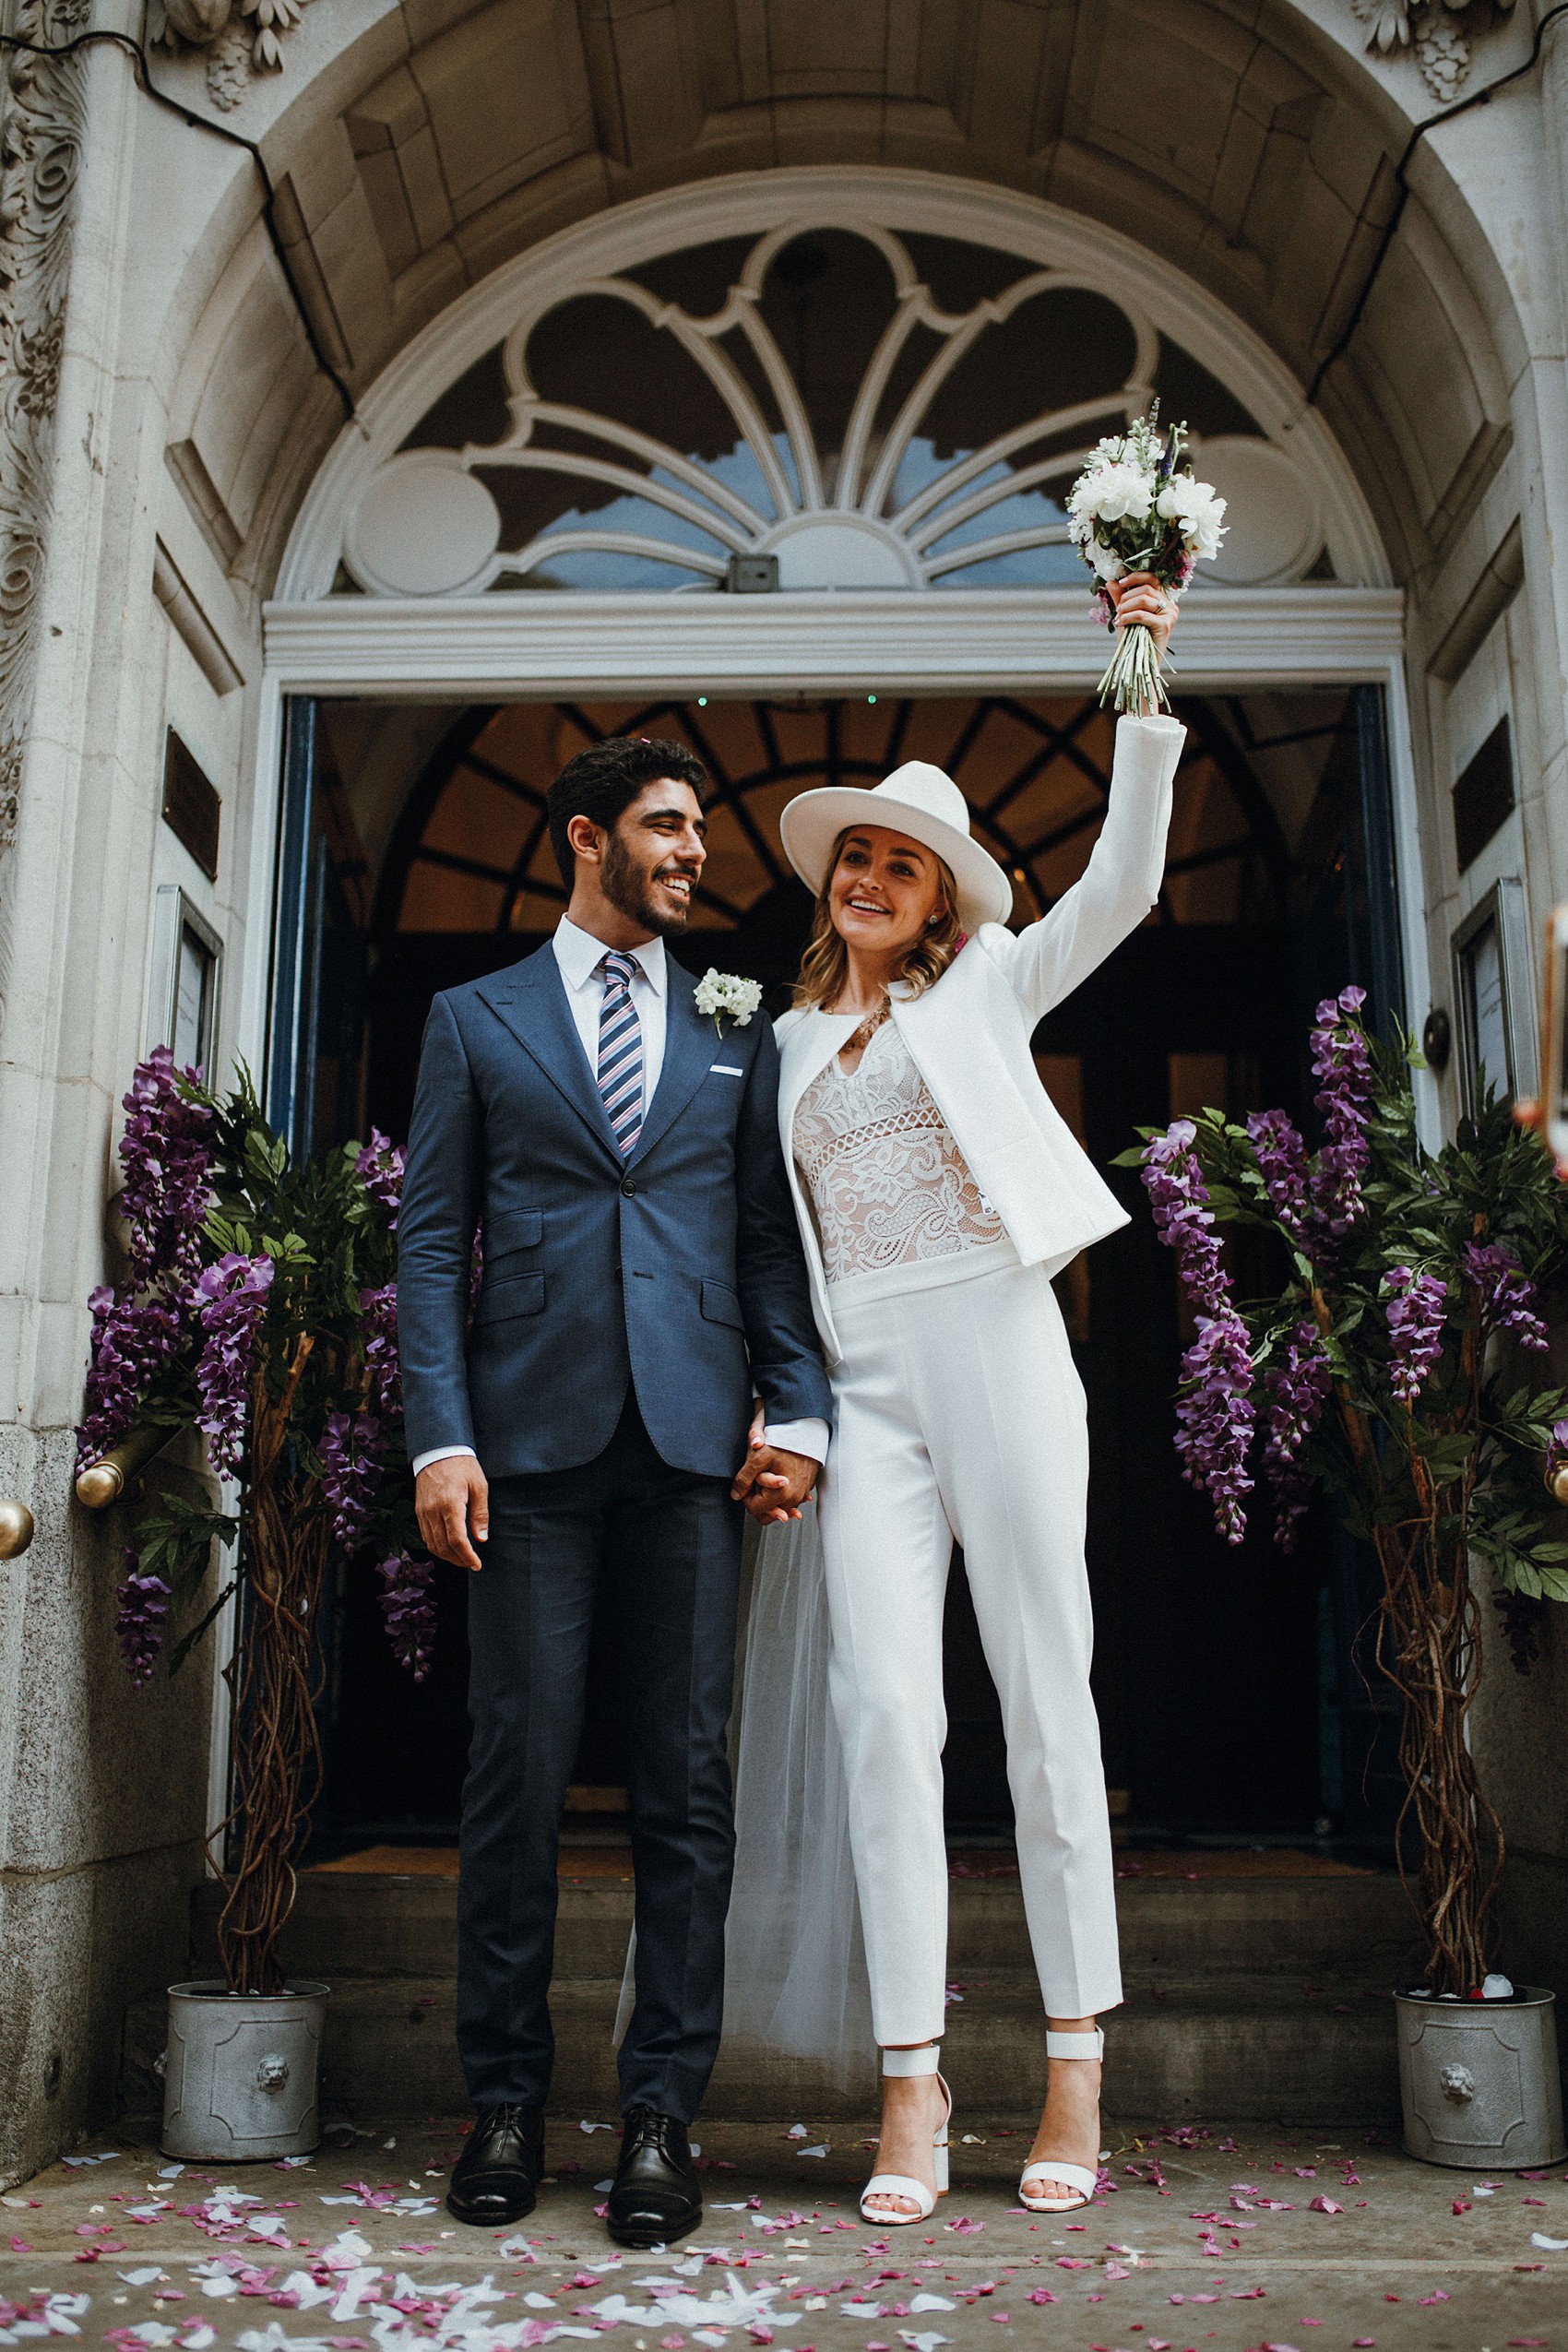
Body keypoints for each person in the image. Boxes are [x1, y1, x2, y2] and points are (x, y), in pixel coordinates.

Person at [733, 576, 1183, 2225]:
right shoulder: (775, 1046)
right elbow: (763, 1257)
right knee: (882, 1720)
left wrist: (1142, 667)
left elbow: (1127, 880)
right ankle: (909, 2086)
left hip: (998, 1343)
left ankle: (1075, 2058)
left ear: (940, 907)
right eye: (855, 855)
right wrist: (781, 1408)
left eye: (900, 865)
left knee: (1043, 1694)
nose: (868, 877)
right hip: (860, 1391)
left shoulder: (990, 987)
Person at [396, 734, 833, 2247]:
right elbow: (432, 1243)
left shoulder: (740, 1029)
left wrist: (802, 1408)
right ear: (586, 836)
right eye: (663, 825)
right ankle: (505, 2100)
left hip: (697, 1451)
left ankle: (661, 2116)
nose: (692, 851)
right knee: (513, 1775)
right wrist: (438, 1437)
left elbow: (770, 1244)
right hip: (526, 1453)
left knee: (686, 1787)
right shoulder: (473, 1019)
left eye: (698, 830)